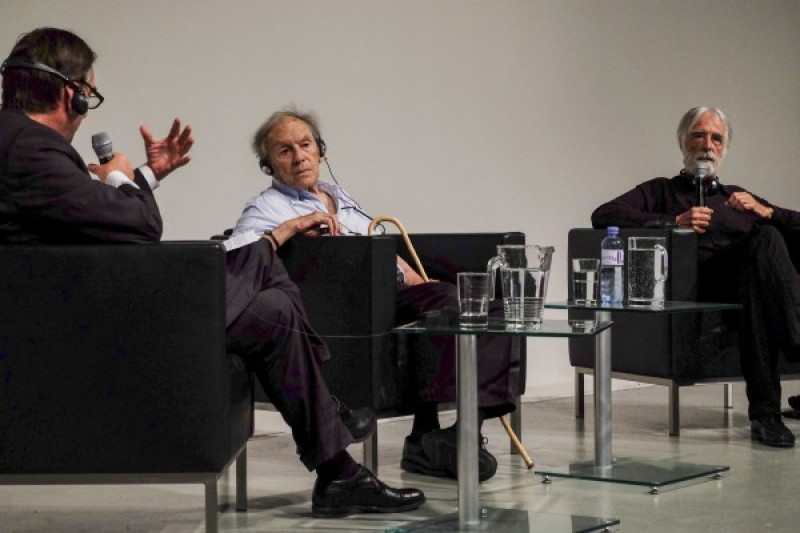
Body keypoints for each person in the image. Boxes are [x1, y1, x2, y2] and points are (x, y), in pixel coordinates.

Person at [0, 27, 424, 518]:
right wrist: (118, 173)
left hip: (93, 308)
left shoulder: (22, 145)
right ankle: (332, 420)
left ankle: (339, 474)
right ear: (68, 92)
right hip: (95, 329)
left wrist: (144, 176)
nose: (85, 108)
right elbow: (140, 226)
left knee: (272, 307)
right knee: (264, 262)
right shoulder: (31, 149)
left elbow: (101, 218)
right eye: (89, 94)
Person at [231, 108, 522, 481]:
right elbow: (239, 255)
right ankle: (429, 439)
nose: (299, 156)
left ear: (321, 150)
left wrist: (417, 278)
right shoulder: (266, 207)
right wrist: (292, 227)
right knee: (449, 304)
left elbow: (376, 243)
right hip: (347, 310)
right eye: (284, 151)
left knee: (481, 308)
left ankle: (452, 433)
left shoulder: (339, 196)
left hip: (390, 296)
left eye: (305, 145)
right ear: (268, 165)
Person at [591, 106, 800, 448]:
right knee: (766, 238)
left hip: (750, 289)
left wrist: (769, 211)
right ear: (681, 141)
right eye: (698, 135)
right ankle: (795, 345)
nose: (707, 144)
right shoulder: (662, 190)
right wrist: (673, 221)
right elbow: (603, 214)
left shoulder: (737, 196)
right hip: (699, 284)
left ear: (724, 148)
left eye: (716, 138)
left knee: (765, 253)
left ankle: (767, 416)